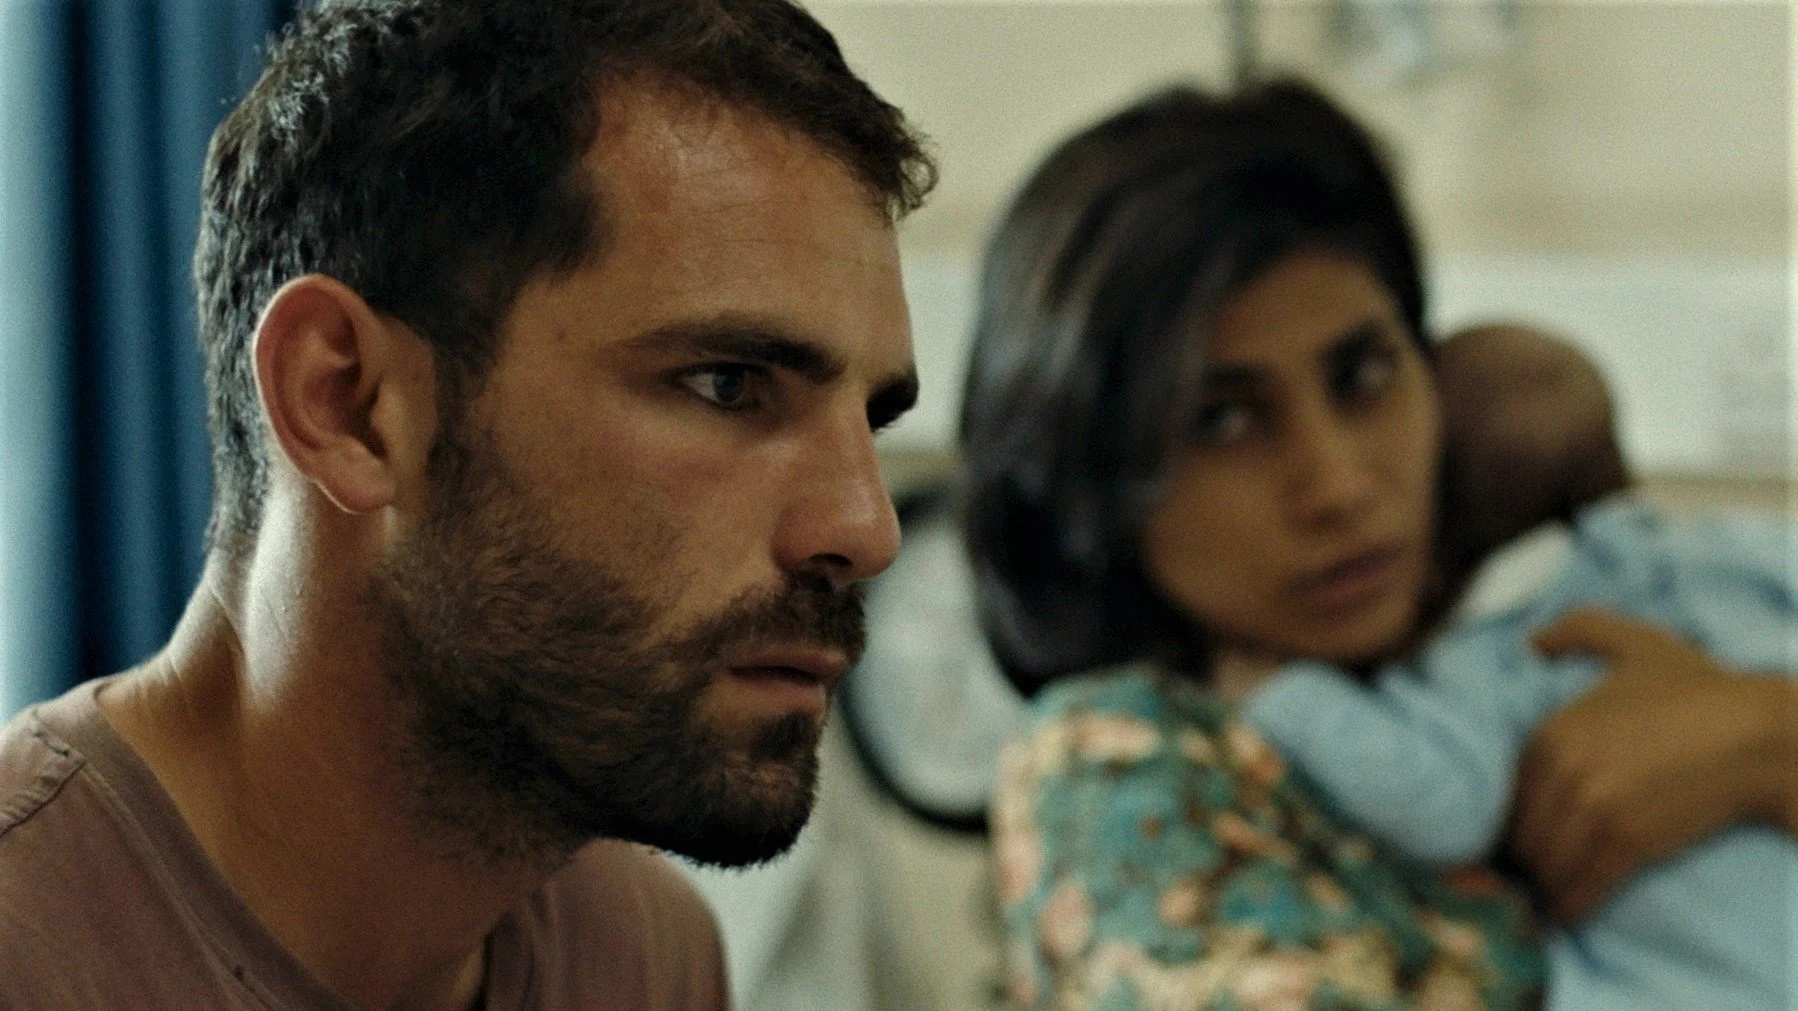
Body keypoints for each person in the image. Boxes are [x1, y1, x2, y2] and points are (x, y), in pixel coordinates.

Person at [0, 2, 934, 1009]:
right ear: (346, 403)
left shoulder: (645, 955)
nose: (867, 530)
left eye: (872, 420)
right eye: (728, 384)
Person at [961, 81, 1794, 1009]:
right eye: (1225, 420)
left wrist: (1771, 741)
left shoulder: (1531, 641)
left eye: (1363, 374)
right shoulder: (1124, 763)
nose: (1341, 484)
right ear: (1094, 489)